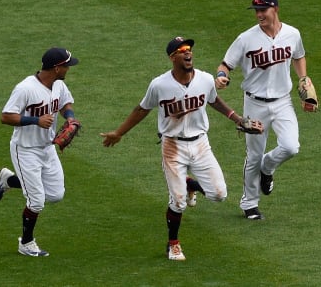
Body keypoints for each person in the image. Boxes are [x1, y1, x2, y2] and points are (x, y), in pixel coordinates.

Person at [100, 37, 262, 261]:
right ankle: (173, 244)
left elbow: (213, 100)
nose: (188, 53)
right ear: (172, 57)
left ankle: (189, 184)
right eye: (181, 50)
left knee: (219, 195)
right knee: (177, 202)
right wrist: (118, 133)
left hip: (200, 144)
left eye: (189, 49)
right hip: (172, 146)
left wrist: (237, 118)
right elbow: (141, 109)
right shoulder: (159, 85)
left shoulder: (205, 79)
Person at [215, 0, 309, 220]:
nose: (259, 14)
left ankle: (268, 167)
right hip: (254, 103)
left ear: (275, 9)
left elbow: (299, 55)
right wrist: (220, 76)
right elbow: (226, 64)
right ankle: (249, 204)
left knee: (290, 147)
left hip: (283, 102)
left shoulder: (292, 34)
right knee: (253, 155)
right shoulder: (246, 39)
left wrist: (303, 78)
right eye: (256, 10)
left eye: (263, 10)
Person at [0, 47, 80, 256]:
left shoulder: (58, 84)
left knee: (56, 194)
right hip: (25, 150)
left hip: (47, 147)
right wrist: (36, 120)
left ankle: (9, 181)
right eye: (67, 65)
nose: (69, 68)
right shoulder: (25, 88)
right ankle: (26, 243)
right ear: (57, 67)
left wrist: (69, 117)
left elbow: (65, 103)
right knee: (36, 200)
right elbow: (6, 116)